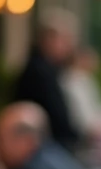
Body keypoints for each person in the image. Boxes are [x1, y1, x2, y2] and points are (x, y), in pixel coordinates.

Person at [14, 8, 82, 153]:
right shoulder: (40, 72)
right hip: (39, 147)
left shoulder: (49, 68)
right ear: (48, 39)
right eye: (65, 39)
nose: (69, 46)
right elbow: (57, 117)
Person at [62, 47, 101, 142]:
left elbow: (97, 107)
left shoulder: (87, 79)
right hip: (83, 135)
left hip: (97, 129)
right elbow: (81, 115)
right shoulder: (72, 81)